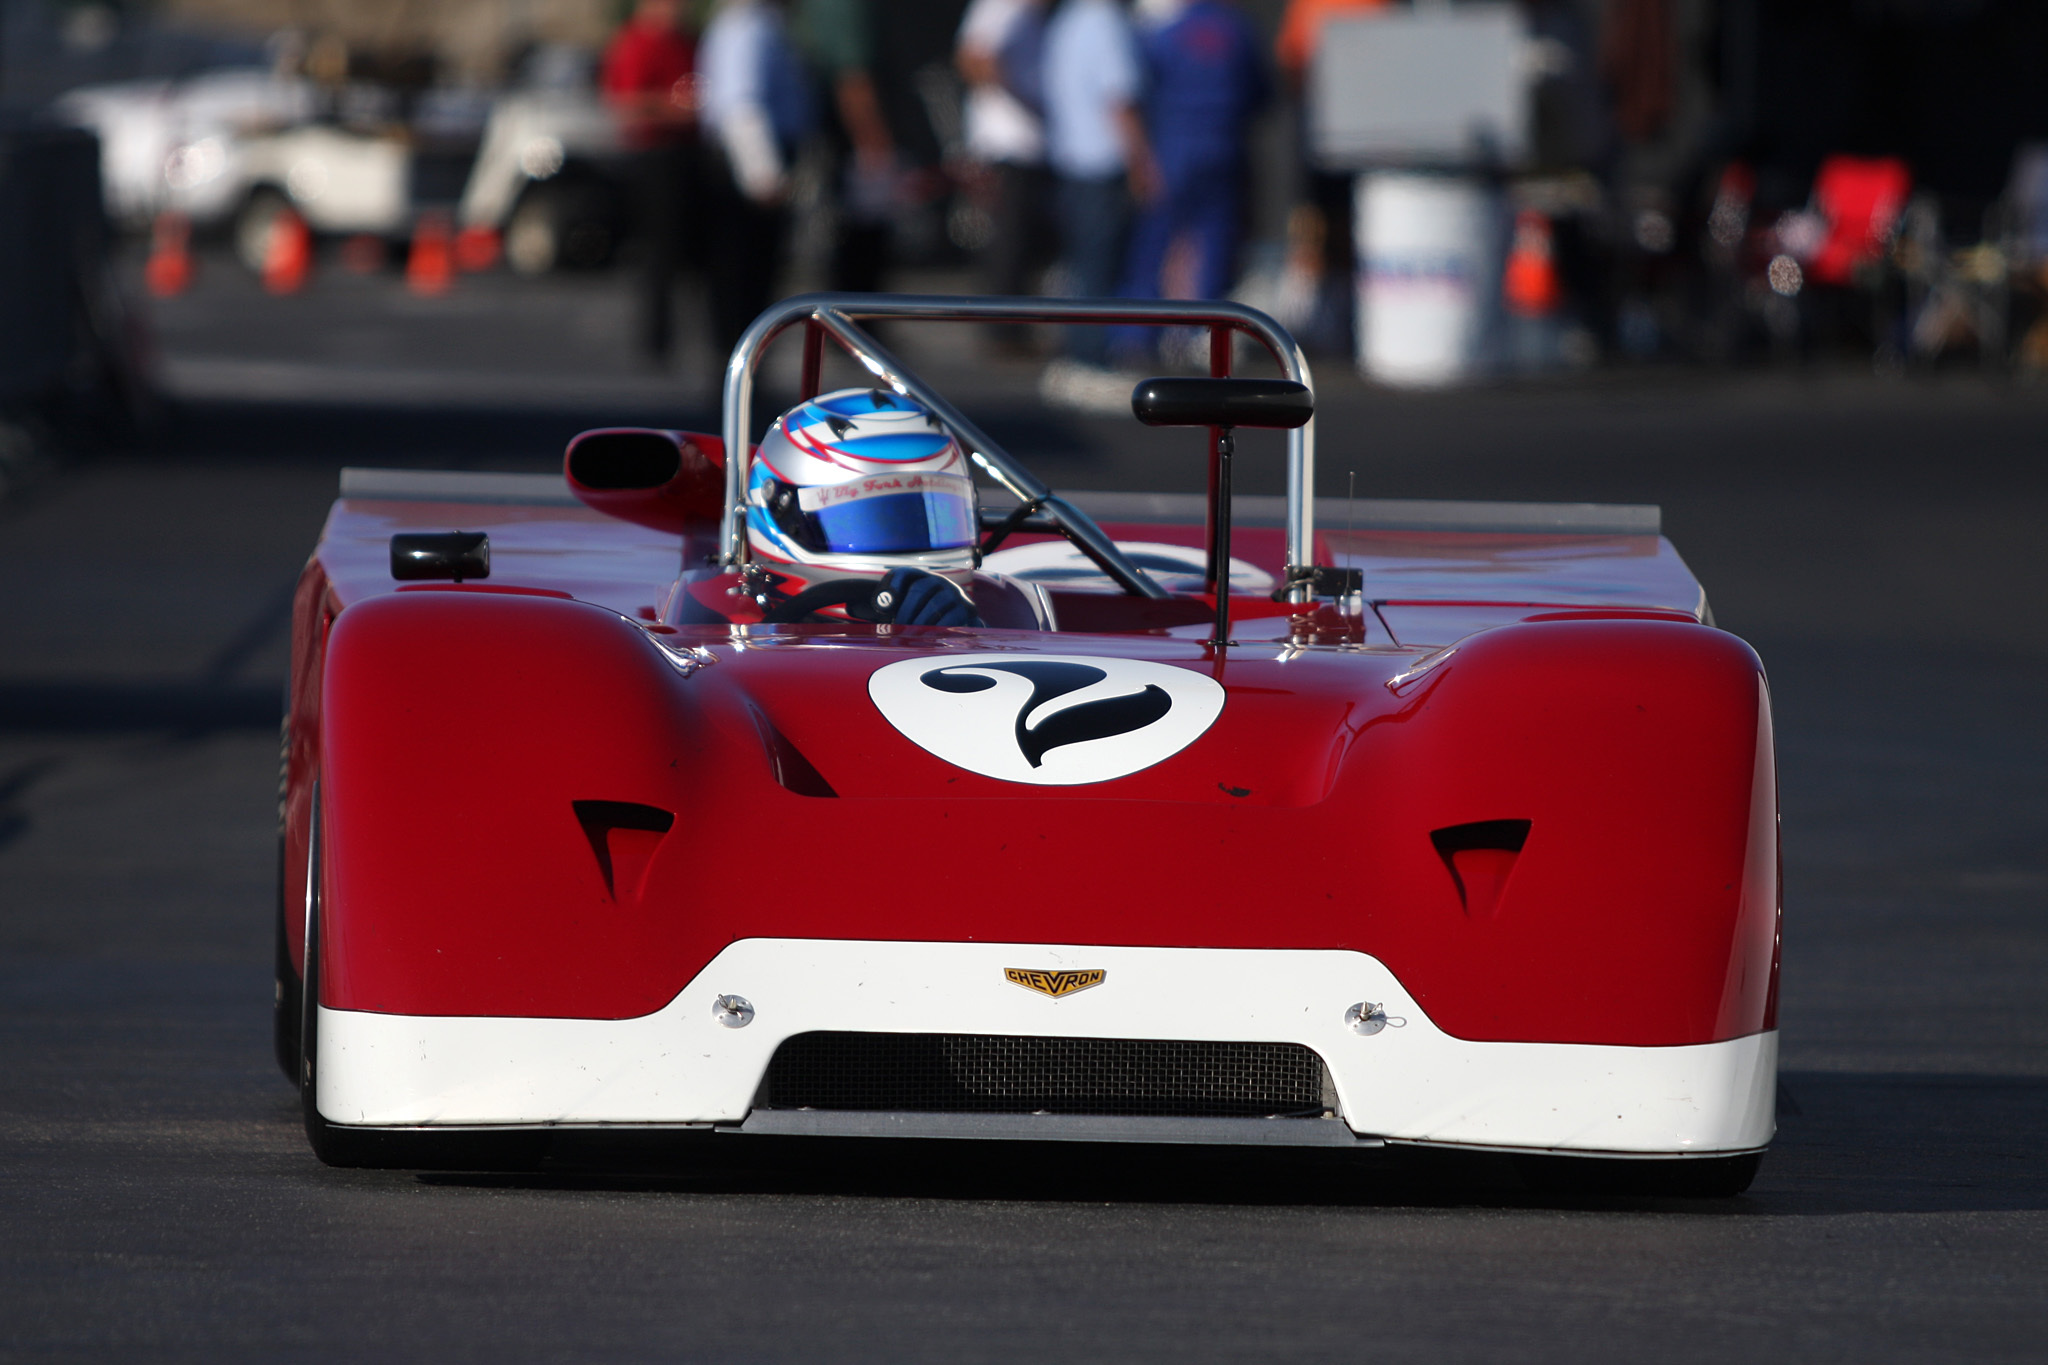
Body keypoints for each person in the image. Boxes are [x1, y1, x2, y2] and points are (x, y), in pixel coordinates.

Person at [742, 387, 985, 626]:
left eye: (925, 517)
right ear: (780, 511)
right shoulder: (722, 634)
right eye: (868, 520)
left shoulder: (1009, 607)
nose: (906, 534)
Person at [1110, 0, 1269, 360]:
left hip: (1173, 151)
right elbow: (1262, 94)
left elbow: (1137, 90)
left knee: (1153, 245)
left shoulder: (1162, 35)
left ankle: (1134, 338)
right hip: (1224, 148)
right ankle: (1204, 337)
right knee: (1214, 244)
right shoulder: (1238, 31)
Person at [1039, 0, 1157, 406]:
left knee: (1083, 264)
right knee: (1097, 267)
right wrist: (1141, 161)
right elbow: (1118, 97)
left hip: (1071, 159)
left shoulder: (1068, 20)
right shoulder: (1103, 20)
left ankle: (1079, 359)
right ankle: (1088, 362)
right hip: (1099, 162)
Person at [697, 0, 814, 361]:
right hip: (748, 162)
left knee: (751, 278)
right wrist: (763, 174)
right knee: (744, 278)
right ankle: (738, 372)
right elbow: (741, 106)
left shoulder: (759, 23)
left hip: (751, 157)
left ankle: (744, 369)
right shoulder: (747, 26)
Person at [599, 0, 698, 364]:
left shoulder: (685, 41)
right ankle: (656, 340)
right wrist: (675, 108)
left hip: (686, 153)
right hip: (653, 154)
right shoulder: (637, 42)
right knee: (658, 252)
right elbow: (623, 102)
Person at [956, 0, 1053, 332]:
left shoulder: (1028, 13)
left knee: (1023, 242)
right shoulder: (1000, 8)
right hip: (1005, 144)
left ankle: (1014, 325)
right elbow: (973, 59)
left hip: (1027, 145)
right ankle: (1001, 330)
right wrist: (1025, 100)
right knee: (1007, 242)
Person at [796, 0, 898, 293]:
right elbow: (852, 80)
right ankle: (853, 329)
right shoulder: (843, 8)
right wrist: (872, 141)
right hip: (847, 141)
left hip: (835, 138)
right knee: (859, 242)